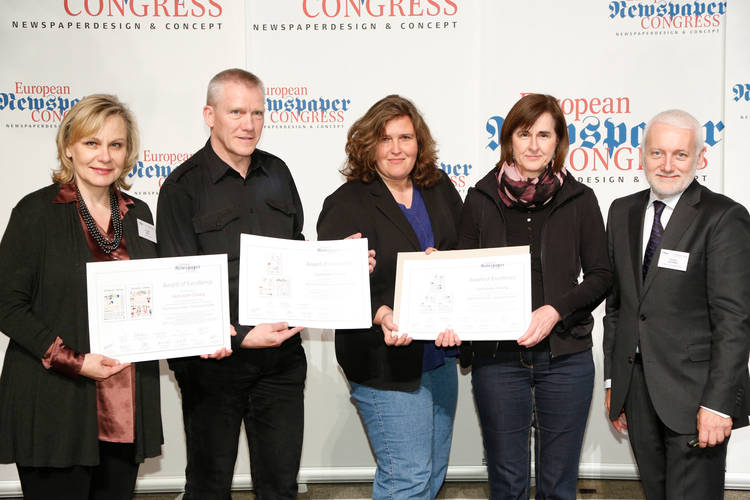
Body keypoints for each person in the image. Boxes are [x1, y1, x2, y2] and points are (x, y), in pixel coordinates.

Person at [156, 68, 309, 500]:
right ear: (210, 115)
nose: (249, 124)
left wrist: (344, 266)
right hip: (213, 365)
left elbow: (297, 248)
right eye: (237, 112)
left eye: (257, 112)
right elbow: (179, 285)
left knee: (280, 488)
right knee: (209, 487)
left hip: (281, 360)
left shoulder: (278, 171)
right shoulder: (182, 188)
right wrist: (242, 335)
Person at [0, 94, 163, 500]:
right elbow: (7, 304)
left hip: (124, 406)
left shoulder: (139, 214)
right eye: (92, 142)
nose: (104, 156)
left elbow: (155, 295)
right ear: (68, 147)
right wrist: (73, 360)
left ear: (128, 152)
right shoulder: (35, 212)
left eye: (116, 144)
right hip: (55, 403)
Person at [457, 93, 611, 499]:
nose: (533, 145)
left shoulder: (580, 199)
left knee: (558, 485)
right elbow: (461, 273)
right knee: (507, 483)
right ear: (509, 139)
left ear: (558, 142)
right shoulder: (479, 198)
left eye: (544, 135)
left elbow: (601, 275)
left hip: (565, 357)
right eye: (524, 134)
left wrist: (555, 310)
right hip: (498, 360)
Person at [317, 95, 463, 499]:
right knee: (407, 478)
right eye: (385, 139)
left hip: (437, 356)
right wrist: (380, 312)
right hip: (383, 358)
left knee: (432, 473)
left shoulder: (439, 188)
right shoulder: (345, 203)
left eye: (405, 137)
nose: (397, 149)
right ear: (369, 146)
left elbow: (463, 251)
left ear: (419, 142)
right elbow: (331, 285)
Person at [603, 109, 750, 499]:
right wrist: (615, 381)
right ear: (642, 156)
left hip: (696, 398)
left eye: (680, 154)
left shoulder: (724, 217)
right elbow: (618, 306)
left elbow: (734, 320)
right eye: (657, 153)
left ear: (699, 157)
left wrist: (719, 404)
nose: (667, 165)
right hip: (637, 393)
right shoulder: (621, 211)